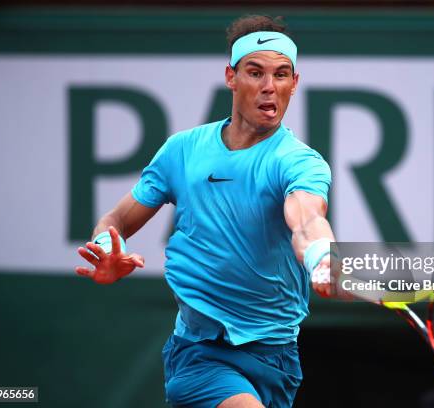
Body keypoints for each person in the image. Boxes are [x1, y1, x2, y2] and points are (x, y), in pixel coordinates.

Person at [75, 14, 336, 408]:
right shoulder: (182, 151)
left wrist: (321, 255)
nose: (270, 87)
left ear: (294, 83)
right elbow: (117, 220)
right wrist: (104, 245)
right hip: (199, 353)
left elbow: (307, 219)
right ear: (231, 77)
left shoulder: (300, 161)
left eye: (282, 75)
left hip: (277, 356)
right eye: (255, 72)